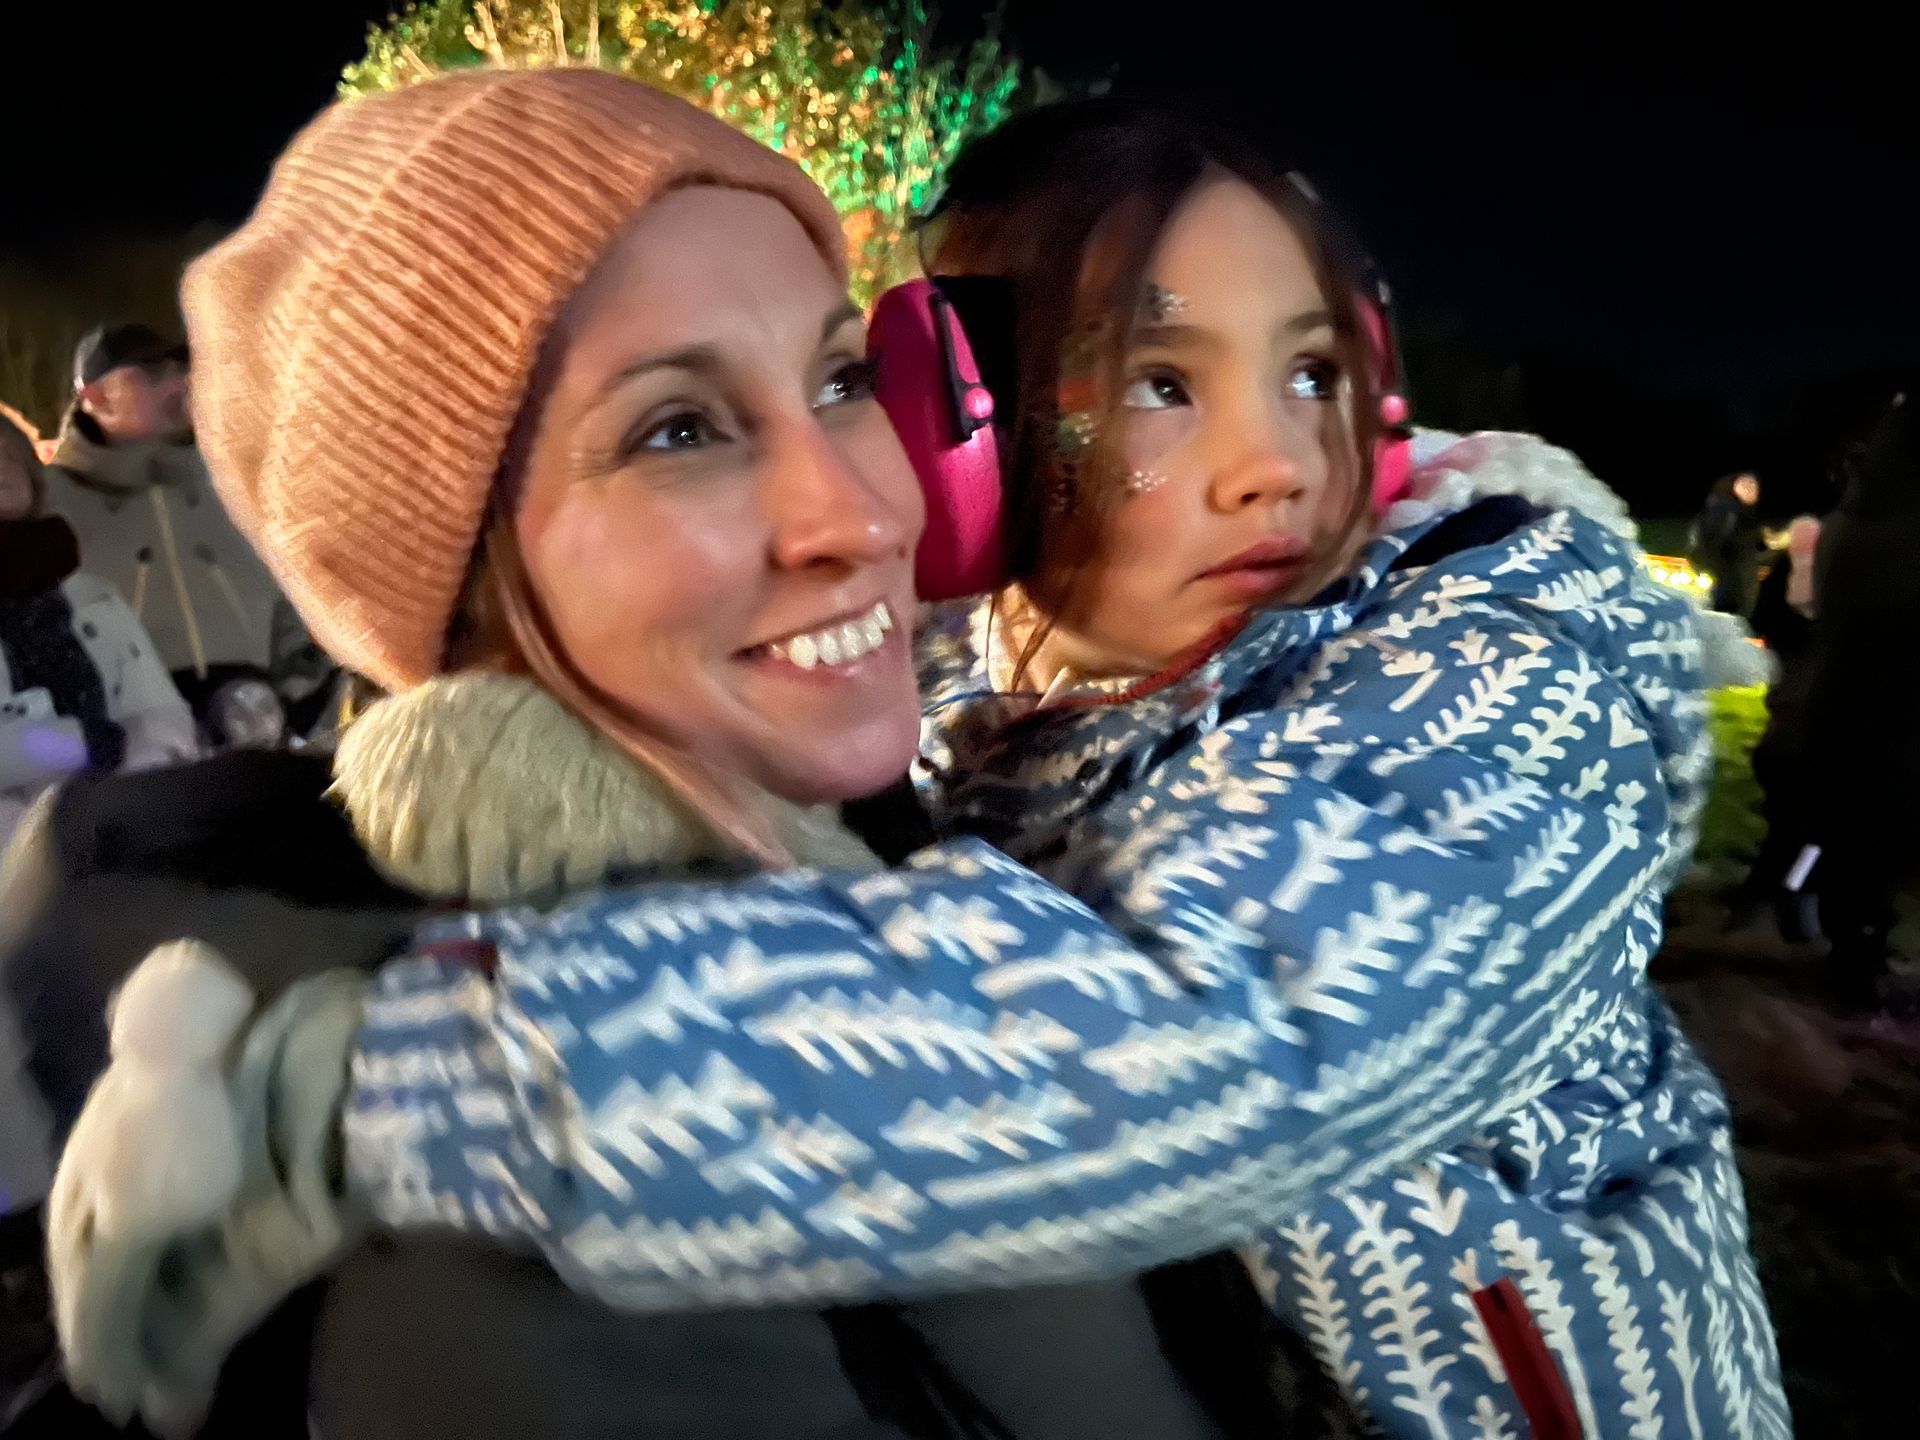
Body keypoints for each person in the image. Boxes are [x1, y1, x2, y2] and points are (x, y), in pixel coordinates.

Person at [42, 99, 1787, 1438]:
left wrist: (371, 1092)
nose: (1274, 461)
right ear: (978, 439)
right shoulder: (978, 714)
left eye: (1314, 370)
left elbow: (1218, 1020)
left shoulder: (1491, 668)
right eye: (1158, 384)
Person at [10, 72, 1292, 1440]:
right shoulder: (518, 1210)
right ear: (460, 577)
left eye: (842, 379)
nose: (861, 515)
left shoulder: (889, 845)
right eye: (676, 429)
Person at [2, 399, 196, 1430]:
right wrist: (84, 747)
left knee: (110, 1073)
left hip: (103, 871)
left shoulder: (84, 592)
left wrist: (124, 761)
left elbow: (160, 718)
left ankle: (118, 1285)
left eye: (5, 459)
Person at [41, 323, 334, 732]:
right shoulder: (47, 505)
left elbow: (284, 592)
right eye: (151, 373)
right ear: (97, 396)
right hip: (132, 740)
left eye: (181, 368)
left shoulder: (229, 489)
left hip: (262, 725)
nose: (178, 383)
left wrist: (300, 679)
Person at [1801, 391, 1920, 1004]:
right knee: (1874, 841)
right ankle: (1855, 966)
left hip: (1838, 696)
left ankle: (1841, 940)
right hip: (1891, 709)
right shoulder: (1903, 529)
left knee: (1846, 831)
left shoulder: (1854, 516)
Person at [1690, 470, 1765, 617]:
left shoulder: (1743, 513)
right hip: (1729, 585)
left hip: (1736, 583)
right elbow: (1713, 544)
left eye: (1754, 485)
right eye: (1744, 484)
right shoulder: (1725, 510)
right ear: (1732, 487)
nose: (1751, 488)